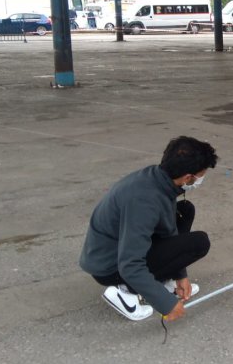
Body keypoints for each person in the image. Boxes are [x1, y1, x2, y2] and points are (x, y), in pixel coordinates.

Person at [79, 136, 218, 321]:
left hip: (119, 248)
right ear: (188, 177)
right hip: (110, 267)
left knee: (185, 210)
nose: (201, 180)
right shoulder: (144, 201)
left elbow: (168, 231)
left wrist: (179, 275)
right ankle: (125, 292)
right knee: (199, 243)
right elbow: (129, 264)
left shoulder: (159, 179)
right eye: (201, 175)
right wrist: (165, 303)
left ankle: (162, 280)